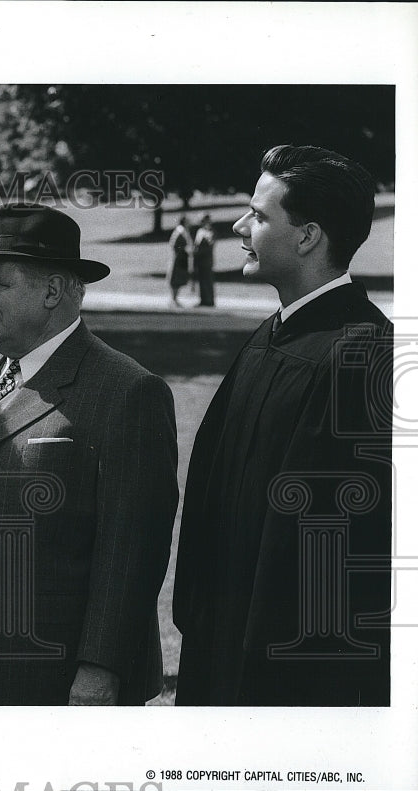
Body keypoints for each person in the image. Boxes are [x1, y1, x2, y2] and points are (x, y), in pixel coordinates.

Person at [0, 203, 179, 705]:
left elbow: (132, 550)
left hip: (41, 674)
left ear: (52, 291)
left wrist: (100, 669)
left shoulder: (127, 391)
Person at [173, 145, 393, 706]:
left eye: (260, 215)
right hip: (220, 648)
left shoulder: (362, 357)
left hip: (286, 679)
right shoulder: (271, 337)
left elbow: (332, 552)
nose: (240, 226)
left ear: (307, 236)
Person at [166, 216, 192, 306]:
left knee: (179, 278)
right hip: (179, 258)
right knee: (176, 279)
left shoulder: (182, 231)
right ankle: (173, 299)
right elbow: (174, 245)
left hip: (182, 257)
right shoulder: (180, 231)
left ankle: (174, 299)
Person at [193, 213, 216, 307]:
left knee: (207, 280)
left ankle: (209, 300)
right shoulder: (200, 231)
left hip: (206, 259)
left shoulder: (210, 232)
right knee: (202, 280)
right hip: (200, 260)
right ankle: (203, 299)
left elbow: (209, 245)